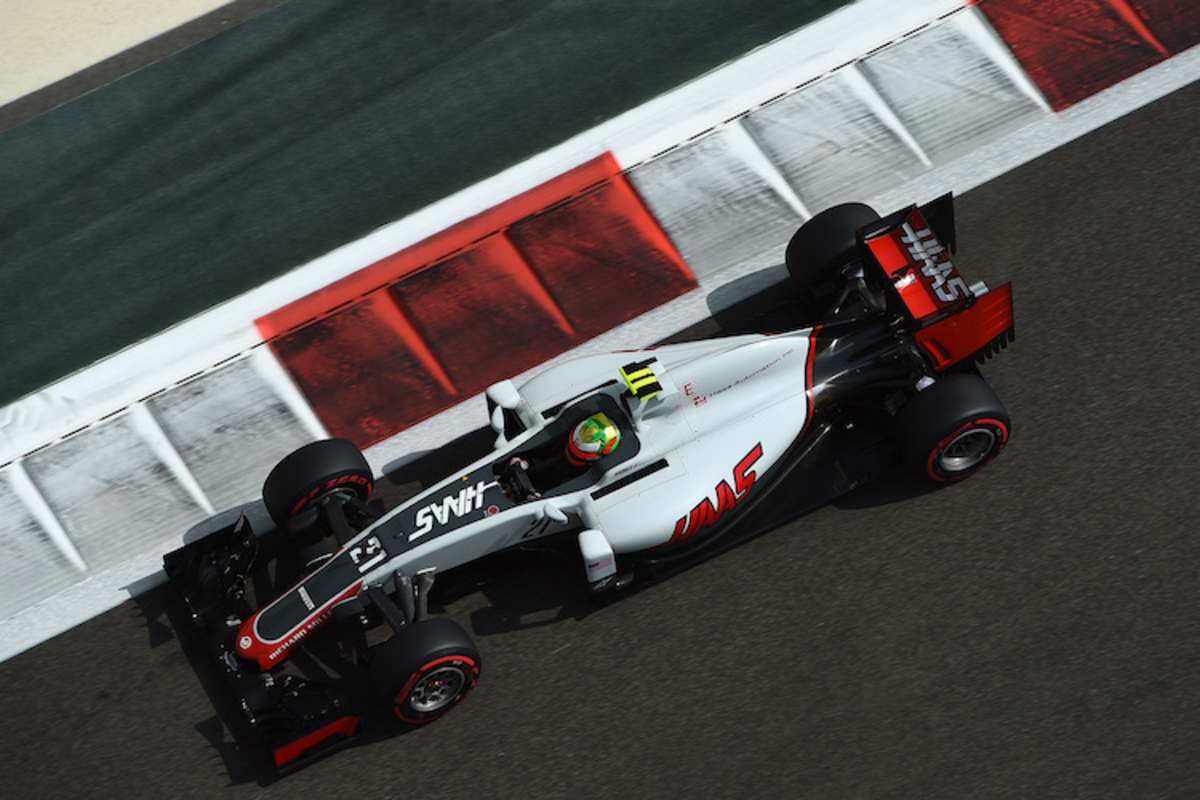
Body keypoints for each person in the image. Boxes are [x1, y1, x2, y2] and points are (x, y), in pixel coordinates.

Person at [500, 412, 622, 500]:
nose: (582, 437)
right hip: (541, 465)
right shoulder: (568, 441)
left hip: (553, 482)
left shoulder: (585, 472)